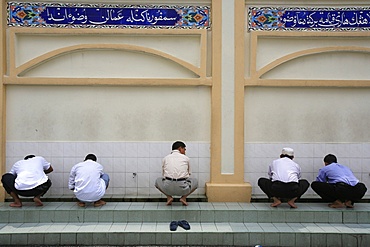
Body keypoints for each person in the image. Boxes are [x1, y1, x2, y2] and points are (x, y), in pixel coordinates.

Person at [155, 141, 198, 206]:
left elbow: (163, 175)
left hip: (168, 188)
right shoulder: (186, 158)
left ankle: (169, 197)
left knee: (157, 181)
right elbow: (189, 174)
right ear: (180, 148)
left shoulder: (165, 158)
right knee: (195, 181)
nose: (185, 151)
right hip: (182, 188)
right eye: (184, 149)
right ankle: (183, 198)